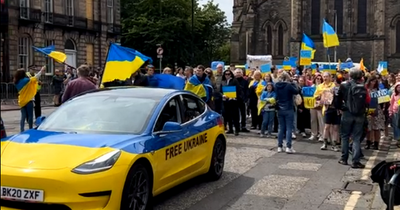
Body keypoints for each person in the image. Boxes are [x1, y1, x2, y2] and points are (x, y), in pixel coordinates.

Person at [335, 68, 370, 168]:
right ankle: (356, 161)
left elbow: (337, 99)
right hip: (360, 114)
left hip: (347, 113)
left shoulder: (344, 85)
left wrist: (340, 108)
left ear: (350, 75)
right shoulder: (363, 87)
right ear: (360, 76)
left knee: (345, 136)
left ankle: (344, 158)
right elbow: (367, 101)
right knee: (356, 138)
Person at [14, 66, 45, 132]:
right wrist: (41, 70)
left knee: (23, 116)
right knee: (30, 116)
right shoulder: (26, 80)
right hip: (29, 100)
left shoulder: (16, 82)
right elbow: (35, 78)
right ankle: (30, 128)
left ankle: (22, 129)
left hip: (22, 101)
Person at [275, 71, 299, 153]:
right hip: (288, 107)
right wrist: (292, 82)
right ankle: (288, 147)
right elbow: (297, 91)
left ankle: (279, 146)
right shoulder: (288, 85)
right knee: (289, 128)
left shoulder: (276, 85)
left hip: (280, 108)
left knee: (281, 128)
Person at [220, 69, 242, 136]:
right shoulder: (223, 81)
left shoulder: (234, 81)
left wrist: (235, 96)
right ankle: (230, 129)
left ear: (231, 74)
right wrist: (222, 95)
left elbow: (238, 90)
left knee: (235, 116)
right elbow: (220, 90)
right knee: (227, 115)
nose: (227, 75)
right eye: (226, 74)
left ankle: (237, 130)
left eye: (228, 74)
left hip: (233, 101)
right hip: (225, 101)